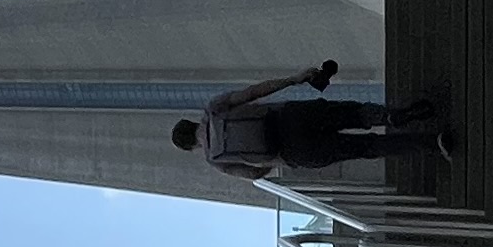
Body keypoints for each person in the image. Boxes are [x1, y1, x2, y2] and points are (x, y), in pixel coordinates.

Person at [169, 62, 451, 183]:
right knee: (353, 113)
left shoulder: (215, 160)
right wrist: (293, 79)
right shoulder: (214, 109)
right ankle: (389, 116)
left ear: (192, 147)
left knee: (367, 147)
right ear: (192, 122)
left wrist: (272, 158)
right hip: (290, 116)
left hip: (295, 153)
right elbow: (254, 92)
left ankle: (433, 143)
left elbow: (253, 174)